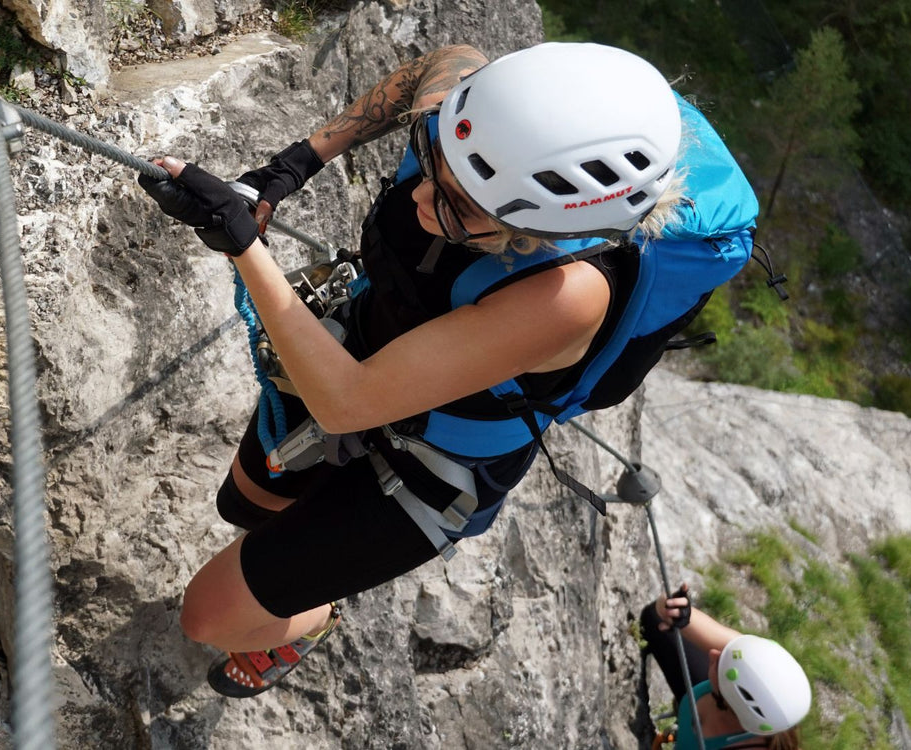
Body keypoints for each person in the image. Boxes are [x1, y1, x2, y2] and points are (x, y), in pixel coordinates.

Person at [137, 42, 720, 698]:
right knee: (244, 503)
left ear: (546, 231)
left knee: (207, 616)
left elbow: (345, 404)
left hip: (435, 464)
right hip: (364, 348)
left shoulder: (571, 295)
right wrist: (290, 168)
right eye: (434, 158)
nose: (420, 194)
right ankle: (293, 574)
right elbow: (447, 60)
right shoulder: (481, 137)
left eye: (461, 208)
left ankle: (313, 618)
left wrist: (241, 242)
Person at [641, 587, 811, 749]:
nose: (714, 653)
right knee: (655, 623)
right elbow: (658, 613)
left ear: (731, 700)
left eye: (721, 664)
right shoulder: (746, 662)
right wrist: (678, 611)